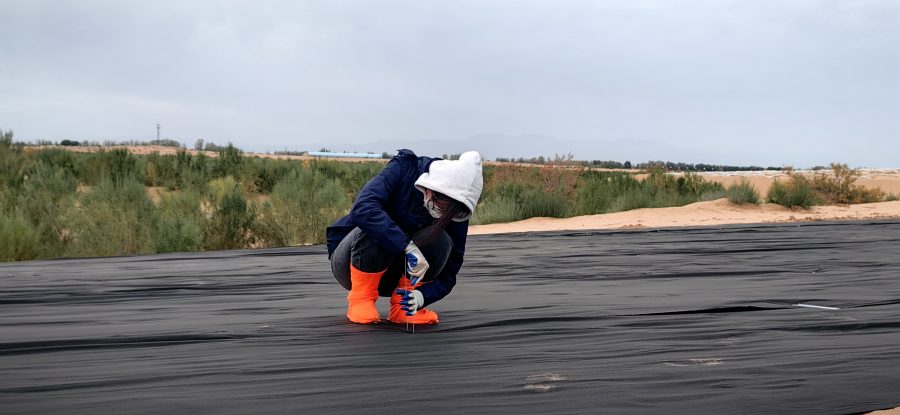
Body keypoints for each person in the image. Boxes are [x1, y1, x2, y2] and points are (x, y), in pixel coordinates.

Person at [327, 149, 483, 325]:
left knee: (442, 241)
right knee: (375, 223)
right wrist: (407, 247)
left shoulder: (455, 211)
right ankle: (361, 300)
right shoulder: (404, 168)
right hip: (351, 265)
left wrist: (421, 296)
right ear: (431, 188)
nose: (439, 213)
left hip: (395, 276)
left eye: (447, 212)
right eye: (438, 205)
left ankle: (402, 308)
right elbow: (362, 209)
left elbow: (450, 272)